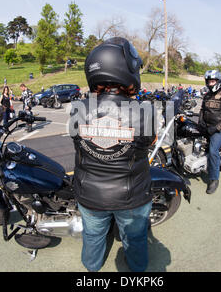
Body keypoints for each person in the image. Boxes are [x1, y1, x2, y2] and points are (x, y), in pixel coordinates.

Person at [69, 37, 156, 272]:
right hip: (131, 197)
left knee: (93, 235)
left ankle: (92, 268)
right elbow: (150, 142)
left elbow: (78, 140)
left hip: (90, 194)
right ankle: (137, 270)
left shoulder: (78, 109)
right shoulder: (144, 111)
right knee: (135, 239)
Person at [198, 70, 221, 194]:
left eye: (212, 81)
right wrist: (200, 122)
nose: (210, 83)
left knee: (213, 151)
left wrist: (216, 128)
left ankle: (214, 179)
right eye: (208, 81)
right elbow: (202, 110)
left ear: (218, 82)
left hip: (219, 128)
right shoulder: (207, 95)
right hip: (207, 126)